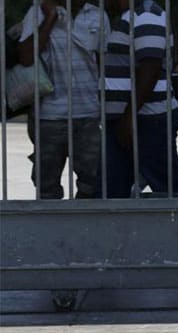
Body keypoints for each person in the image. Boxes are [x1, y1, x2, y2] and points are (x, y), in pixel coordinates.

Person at [102, 0, 178, 277]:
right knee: (113, 189)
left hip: (146, 119)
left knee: (169, 187)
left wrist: (128, 117)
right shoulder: (127, 15)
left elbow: (149, 67)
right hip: (132, 118)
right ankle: (110, 254)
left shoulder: (146, 14)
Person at [17, 0, 109, 199]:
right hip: (49, 115)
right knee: (47, 186)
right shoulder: (38, 12)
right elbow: (25, 56)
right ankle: (50, 227)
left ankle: (86, 227)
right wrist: (50, 19)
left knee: (93, 184)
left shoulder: (97, 15)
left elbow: (103, 62)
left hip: (88, 113)